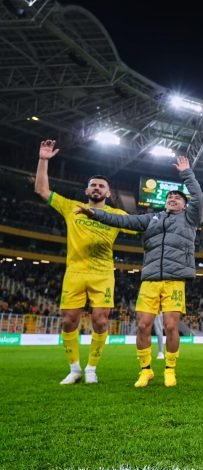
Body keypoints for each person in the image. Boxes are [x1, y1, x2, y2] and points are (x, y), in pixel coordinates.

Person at [76, 155, 203, 387]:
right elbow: (123, 221)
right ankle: (145, 370)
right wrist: (95, 213)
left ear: (185, 205)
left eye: (177, 197)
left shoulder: (189, 218)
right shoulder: (151, 219)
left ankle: (170, 369)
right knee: (144, 325)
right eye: (170, 197)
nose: (172, 198)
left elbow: (199, 196)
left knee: (171, 326)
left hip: (175, 280)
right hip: (150, 279)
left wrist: (186, 173)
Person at [35, 139, 131, 385]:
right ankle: (74, 368)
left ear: (108, 193)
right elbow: (42, 191)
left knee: (100, 320)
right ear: (87, 191)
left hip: (103, 274)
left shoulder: (117, 215)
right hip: (75, 273)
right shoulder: (72, 207)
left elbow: (141, 226)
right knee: (69, 320)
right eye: (93, 185)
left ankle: (91, 368)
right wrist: (43, 160)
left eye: (101, 186)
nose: (97, 188)